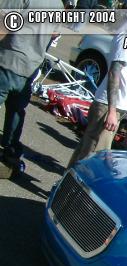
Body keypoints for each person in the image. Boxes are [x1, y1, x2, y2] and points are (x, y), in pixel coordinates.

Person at [68, 0, 127, 168]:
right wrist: (112, 111)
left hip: (113, 106)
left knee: (88, 148)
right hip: (109, 106)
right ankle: (74, 182)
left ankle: (68, 181)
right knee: (93, 154)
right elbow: (114, 71)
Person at [0, 0, 61, 175]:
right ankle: (10, 151)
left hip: (8, 59)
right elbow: (55, 33)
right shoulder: (57, 5)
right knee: (16, 111)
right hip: (30, 66)